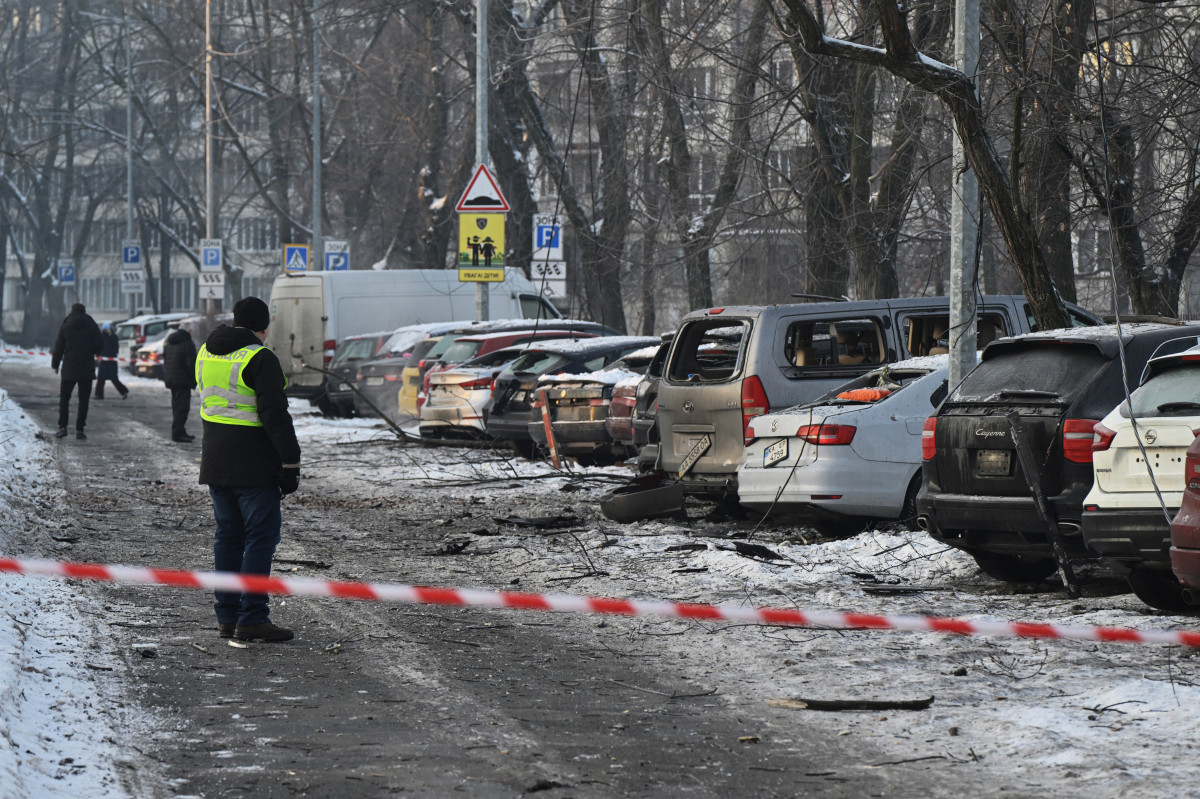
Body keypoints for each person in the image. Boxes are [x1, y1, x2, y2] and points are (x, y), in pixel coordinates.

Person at [196, 296, 300, 642]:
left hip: (215, 461)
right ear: (263, 326)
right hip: (253, 465)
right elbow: (275, 415)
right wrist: (290, 463)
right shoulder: (260, 357)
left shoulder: (206, 352)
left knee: (228, 536)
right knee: (260, 537)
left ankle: (227, 616)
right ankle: (252, 616)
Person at [51, 302, 103, 440]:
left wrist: (55, 364)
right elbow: (99, 346)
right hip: (86, 368)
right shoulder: (91, 325)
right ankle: (80, 429)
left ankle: (63, 427)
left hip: (69, 368)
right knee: (83, 400)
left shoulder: (66, 325)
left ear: (72, 311)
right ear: (84, 311)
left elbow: (58, 347)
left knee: (64, 398)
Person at [162, 326, 197, 442]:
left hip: (172, 380)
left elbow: (165, 360)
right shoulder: (188, 344)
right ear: (188, 332)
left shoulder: (169, 343)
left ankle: (180, 430)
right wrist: (194, 379)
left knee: (176, 407)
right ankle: (177, 433)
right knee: (182, 408)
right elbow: (192, 365)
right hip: (183, 381)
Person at [94, 322, 129, 401]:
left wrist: (97, 355)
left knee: (101, 379)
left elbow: (98, 347)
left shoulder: (102, 337)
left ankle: (99, 394)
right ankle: (124, 391)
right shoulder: (114, 336)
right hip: (112, 360)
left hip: (104, 360)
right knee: (114, 378)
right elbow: (116, 349)